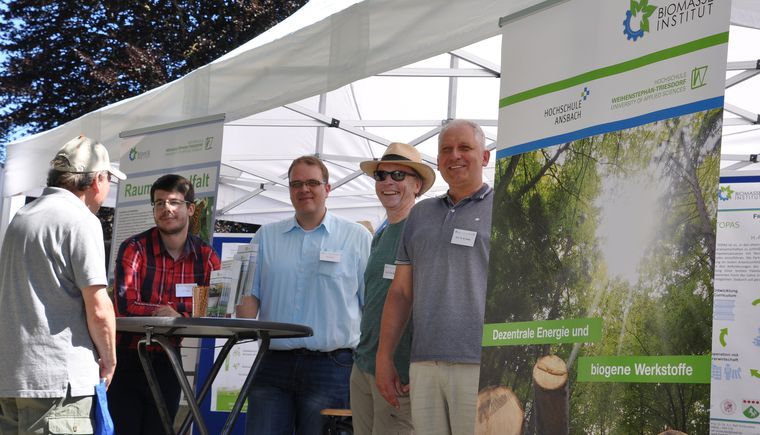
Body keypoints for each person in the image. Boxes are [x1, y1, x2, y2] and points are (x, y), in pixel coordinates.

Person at [237, 155, 371, 435]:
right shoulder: (265, 236)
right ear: (289, 190)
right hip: (272, 362)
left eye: (312, 182)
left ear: (328, 189)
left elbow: (370, 306)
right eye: (296, 184)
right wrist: (225, 299)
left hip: (333, 366)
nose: (304, 189)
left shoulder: (356, 237)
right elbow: (248, 298)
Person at [0, 135, 125, 433]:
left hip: (11, 378)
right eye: (109, 180)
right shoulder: (80, 220)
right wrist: (109, 359)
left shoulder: (22, 217)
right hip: (57, 381)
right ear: (97, 179)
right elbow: (98, 307)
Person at [376, 120, 493, 435]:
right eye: (446, 150)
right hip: (424, 363)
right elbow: (401, 293)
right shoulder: (421, 214)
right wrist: (384, 357)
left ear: (485, 157)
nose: (455, 156)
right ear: (438, 161)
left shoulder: (503, 208)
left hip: (479, 362)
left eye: (465, 148)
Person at [108, 174, 221, 434]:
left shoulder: (206, 257)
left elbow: (214, 310)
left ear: (190, 208)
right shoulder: (133, 248)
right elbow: (124, 306)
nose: (166, 209)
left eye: (174, 202)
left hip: (169, 361)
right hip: (128, 358)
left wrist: (174, 315)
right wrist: (171, 314)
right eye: (159, 203)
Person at [351, 143, 436, 435]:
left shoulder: (423, 232)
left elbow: (433, 305)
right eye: (381, 175)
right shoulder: (382, 233)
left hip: (398, 374)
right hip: (363, 366)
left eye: (398, 175)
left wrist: (420, 365)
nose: (388, 182)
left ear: (417, 185)